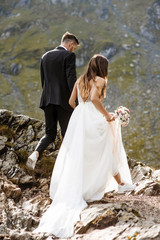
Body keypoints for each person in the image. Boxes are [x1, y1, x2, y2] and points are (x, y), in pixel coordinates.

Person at [33, 54, 135, 238]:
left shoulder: (81, 79)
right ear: (103, 67)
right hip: (92, 118)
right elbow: (96, 100)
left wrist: (82, 111)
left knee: (80, 154)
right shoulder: (101, 80)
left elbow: (72, 102)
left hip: (78, 118)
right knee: (106, 148)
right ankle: (120, 184)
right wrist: (107, 115)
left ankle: (115, 183)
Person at [26, 32, 79, 170]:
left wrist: (48, 96)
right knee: (67, 133)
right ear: (71, 44)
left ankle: (35, 153)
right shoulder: (69, 56)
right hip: (63, 101)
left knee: (50, 133)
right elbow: (71, 79)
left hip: (47, 100)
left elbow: (44, 81)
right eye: (74, 47)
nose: (74, 50)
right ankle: (69, 167)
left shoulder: (45, 56)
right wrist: (76, 101)